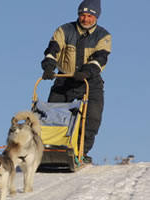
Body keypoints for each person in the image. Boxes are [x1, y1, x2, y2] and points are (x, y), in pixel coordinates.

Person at [41, 0, 111, 163]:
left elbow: (100, 58)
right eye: (83, 15)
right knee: (52, 115)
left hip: (90, 81)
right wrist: (49, 66)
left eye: (89, 16)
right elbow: (53, 50)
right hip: (64, 79)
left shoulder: (103, 36)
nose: (85, 19)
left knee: (92, 117)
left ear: (96, 17)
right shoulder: (64, 30)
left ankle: (81, 152)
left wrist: (86, 72)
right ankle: (51, 150)